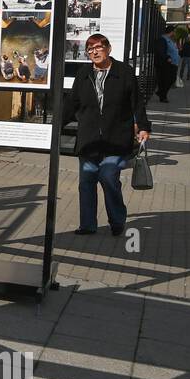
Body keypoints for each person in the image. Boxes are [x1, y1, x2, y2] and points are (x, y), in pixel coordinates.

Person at [61, 33, 151, 236]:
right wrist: (55, 126)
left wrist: (143, 127)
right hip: (89, 141)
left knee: (109, 177)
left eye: (98, 48)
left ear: (108, 49)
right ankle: (87, 225)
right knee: (86, 182)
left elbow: (137, 103)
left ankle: (117, 220)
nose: (94, 52)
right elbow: (71, 104)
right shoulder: (84, 73)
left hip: (115, 140)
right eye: (90, 49)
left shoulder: (124, 72)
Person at [154, 24, 180, 102]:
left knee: (171, 79)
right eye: (174, 32)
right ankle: (163, 96)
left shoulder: (170, 40)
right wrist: (167, 58)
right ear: (171, 32)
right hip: (166, 64)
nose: (175, 33)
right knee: (167, 80)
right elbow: (160, 51)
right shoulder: (162, 39)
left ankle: (161, 93)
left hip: (172, 63)